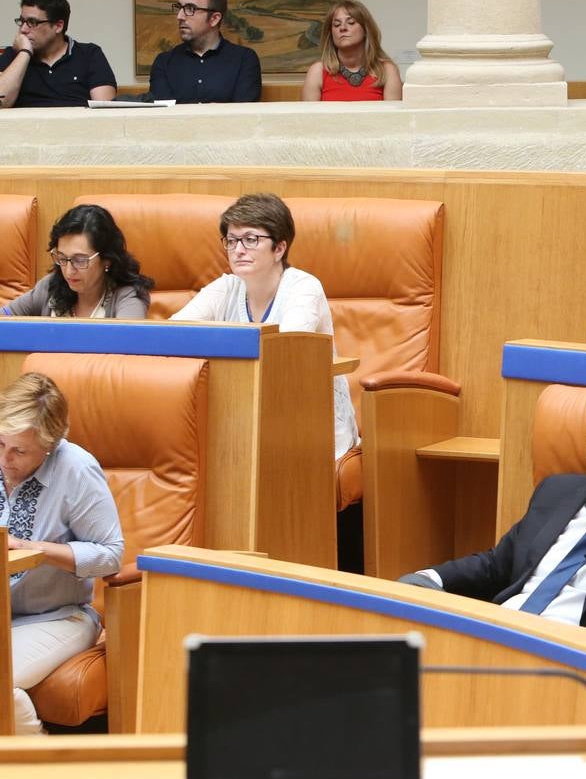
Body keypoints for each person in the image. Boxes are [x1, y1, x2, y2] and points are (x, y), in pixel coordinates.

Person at [397, 389, 586, 628]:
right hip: (504, 624)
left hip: (574, 650)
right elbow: (497, 565)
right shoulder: (558, 490)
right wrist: (429, 579)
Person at [169, 193, 357, 459]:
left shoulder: (303, 288)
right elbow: (172, 335)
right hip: (242, 420)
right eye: (231, 241)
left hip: (309, 423)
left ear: (279, 248)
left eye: (250, 239)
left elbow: (284, 354)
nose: (238, 249)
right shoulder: (226, 287)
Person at [2, 373, 124, 735]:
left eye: (19, 451)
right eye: (1, 445)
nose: (6, 460)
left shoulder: (77, 470)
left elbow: (111, 554)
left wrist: (38, 549)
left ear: (50, 445)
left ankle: (42, 767)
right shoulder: (2, 452)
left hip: (58, 618)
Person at [1, 204, 153, 319]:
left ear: (107, 259)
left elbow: (127, 344)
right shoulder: (49, 287)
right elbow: (4, 321)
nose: (68, 271)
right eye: (62, 258)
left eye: (80, 260)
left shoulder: (127, 296)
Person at [0, 0, 116, 108]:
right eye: (22, 21)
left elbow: (105, 111)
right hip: (25, 126)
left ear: (58, 26)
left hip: (76, 125)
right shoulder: (13, 55)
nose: (23, 29)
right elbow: (1, 103)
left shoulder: (90, 54)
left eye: (32, 22)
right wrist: (24, 53)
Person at [149, 0, 261, 104]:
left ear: (214, 19)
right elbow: (162, 117)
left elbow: (244, 115)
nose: (179, 16)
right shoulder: (163, 63)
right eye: (179, 7)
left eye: (190, 8)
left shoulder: (244, 60)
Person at [301, 0, 402, 102]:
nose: (343, 28)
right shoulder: (317, 71)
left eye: (351, 22)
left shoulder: (387, 70)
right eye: (336, 25)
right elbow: (308, 117)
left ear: (366, 30)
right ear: (331, 34)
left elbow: (393, 117)